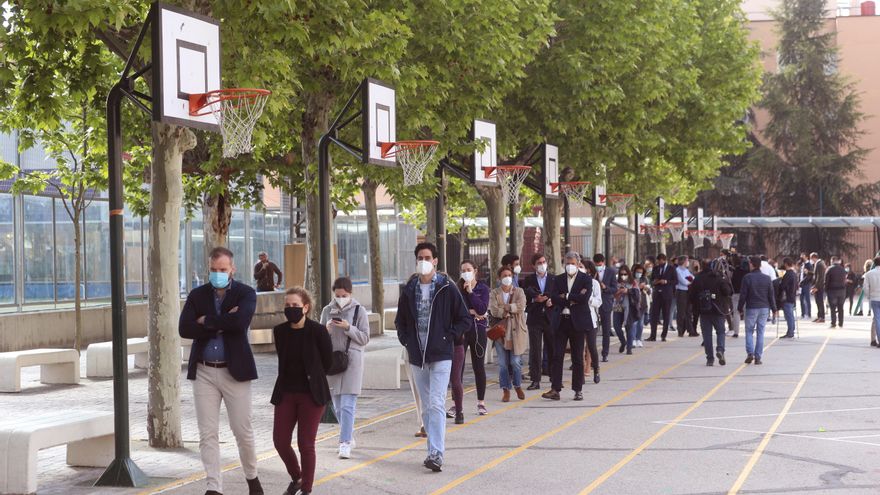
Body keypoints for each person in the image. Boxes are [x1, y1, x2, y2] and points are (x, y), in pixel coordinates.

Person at [179, 247, 263, 495]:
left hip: (234, 372)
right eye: (214, 270)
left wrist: (206, 321)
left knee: (242, 431)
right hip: (204, 372)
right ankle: (213, 487)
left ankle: (252, 478)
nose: (218, 274)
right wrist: (223, 321)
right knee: (207, 434)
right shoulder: (197, 295)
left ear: (232, 269)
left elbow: (240, 323)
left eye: (223, 270)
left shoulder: (245, 293)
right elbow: (184, 329)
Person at [395, 242, 470, 472]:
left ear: (435, 261)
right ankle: (432, 451)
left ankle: (436, 453)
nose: (423, 261)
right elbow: (401, 321)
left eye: (427, 257)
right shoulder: (409, 289)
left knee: (437, 402)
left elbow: (464, 319)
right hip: (417, 356)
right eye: (420, 257)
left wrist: (449, 337)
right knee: (426, 406)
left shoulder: (447, 287)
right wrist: (406, 340)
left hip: (441, 354)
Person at [272, 287, 332, 495]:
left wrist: (313, 377)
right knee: (280, 441)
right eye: (287, 306)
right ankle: (297, 477)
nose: (291, 309)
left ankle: (306, 489)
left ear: (305, 308)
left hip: (311, 395)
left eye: (295, 306)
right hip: (286, 393)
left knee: (305, 444)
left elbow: (328, 362)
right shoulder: (279, 331)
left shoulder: (318, 331)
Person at [319, 277, 370, 459]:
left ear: (350, 294)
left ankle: (344, 443)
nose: (341, 298)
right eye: (338, 295)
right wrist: (324, 331)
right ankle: (348, 435)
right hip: (333, 363)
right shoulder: (327, 310)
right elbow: (318, 340)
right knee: (338, 407)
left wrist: (349, 327)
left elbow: (365, 338)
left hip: (352, 362)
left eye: (344, 295)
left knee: (348, 404)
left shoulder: (359, 311)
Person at [543, 253, 601, 401]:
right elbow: (554, 297)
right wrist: (572, 298)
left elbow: (584, 298)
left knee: (577, 357)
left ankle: (578, 390)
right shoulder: (558, 279)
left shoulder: (586, 279)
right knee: (557, 356)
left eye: (573, 263)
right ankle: (555, 388)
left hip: (578, 322)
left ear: (578, 263)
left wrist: (566, 296)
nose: (570, 265)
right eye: (567, 263)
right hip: (561, 321)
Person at [450, 260, 489, 422]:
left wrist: (472, 292)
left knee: (478, 366)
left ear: (475, 271)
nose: (466, 272)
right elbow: (457, 311)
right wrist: (471, 312)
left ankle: (481, 401)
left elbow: (482, 309)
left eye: (469, 270)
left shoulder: (483, 288)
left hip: (478, 330)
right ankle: (455, 404)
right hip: (461, 331)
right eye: (463, 270)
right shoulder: (457, 289)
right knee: (457, 368)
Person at [489, 266, 528, 402]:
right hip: (501, 333)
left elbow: (521, 306)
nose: (507, 277)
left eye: (509, 275)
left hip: (516, 332)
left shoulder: (519, 291)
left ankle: (517, 385)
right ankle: (505, 389)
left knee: (515, 362)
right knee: (503, 364)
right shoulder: (494, 293)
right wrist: (510, 309)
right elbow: (493, 310)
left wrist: (506, 307)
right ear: (499, 278)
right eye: (504, 275)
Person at [689, 258, 733, 366]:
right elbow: (728, 292)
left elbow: (691, 295)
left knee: (707, 335)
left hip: (704, 311)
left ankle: (710, 359)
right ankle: (720, 350)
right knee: (721, 332)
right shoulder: (719, 277)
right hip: (718, 309)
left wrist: (696, 307)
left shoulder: (698, 278)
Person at [522, 253, 555, 390]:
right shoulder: (528, 279)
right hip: (535, 318)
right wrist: (536, 299)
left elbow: (559, 295)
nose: (542, 265)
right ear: (534, 266)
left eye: (543, 262)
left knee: (552, 348)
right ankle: (535, 380)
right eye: (539, 263)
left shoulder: (554, 278)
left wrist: (551, 301)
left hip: (550, 317)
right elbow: (524, 297)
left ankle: (555, 378)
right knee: (535, 350)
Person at [738, 256, 776, 365]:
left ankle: (750, 353)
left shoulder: (747, 278)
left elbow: (743, 295)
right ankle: (758, 357)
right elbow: (771, 295)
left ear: (752, 264)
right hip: (764, 307)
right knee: (760, 332)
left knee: (749, 331)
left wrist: (739, 308)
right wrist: (774, 309)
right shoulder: (767, 278)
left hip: (751, 307)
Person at [593, 253, 619, 361]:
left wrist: (605, 287)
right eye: (596, 264)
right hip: (593, 304)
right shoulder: (592, 272)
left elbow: (614, 289)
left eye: (599, 264)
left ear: (603, 262)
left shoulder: (611, 272)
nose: (597, 266)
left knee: (606, 330)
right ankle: (590, 354)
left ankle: (605, 353)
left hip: (606, 303)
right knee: (592, 330)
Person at [649, 253, 677, 341]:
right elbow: (652, 279)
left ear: (664, 260)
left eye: (660, 261)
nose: (658, 263)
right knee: (654, 315)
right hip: (657, 294)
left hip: (667, 294)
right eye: (658, 261)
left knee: (666, 314)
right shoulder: (656, 268)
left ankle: (663, 335)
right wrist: (655, 282)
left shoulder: (671, 268)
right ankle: (653, 335)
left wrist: (666, 281)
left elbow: (675, 281)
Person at [612, 265, 633, 354]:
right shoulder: (616, 283)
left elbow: (636, 294)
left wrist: (627, 291)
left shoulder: (632, 283)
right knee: (617, 327)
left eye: (625, 274)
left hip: (628, 307)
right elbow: (613, 295)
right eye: (621, 274)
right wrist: (619, 291)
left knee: (628, 327)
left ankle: (629, 348)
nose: (623, 275)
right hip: (617, 306)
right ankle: (623, 341)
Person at [629, 264, 651, 348]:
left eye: (641, 272)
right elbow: (629, 290)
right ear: (634, 271)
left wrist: (646, 288)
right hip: (633, 303)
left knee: (640, 323)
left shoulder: (644, 279)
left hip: (642, 303)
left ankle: (638, 339)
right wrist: (638, 286)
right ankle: (633, 339)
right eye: (637, 272)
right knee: (634, 323)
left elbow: (649, 292)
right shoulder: (631, 279)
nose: (639, 274)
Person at [779, 258, 799, 338]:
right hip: (792, 296)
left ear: (786, 264)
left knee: (788, 315)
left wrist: (780, 282)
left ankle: (790, 332)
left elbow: (783, 286)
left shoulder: (787, 274)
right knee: (790, 315)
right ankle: (791, 330)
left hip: (787, 297)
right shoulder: (794, 273)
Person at [825, 256, 847, 328]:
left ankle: (833, 323)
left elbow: (826, 281)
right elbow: (844, 280)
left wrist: (826, 290)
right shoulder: (843, 269)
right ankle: (841, 323)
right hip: (842, 291)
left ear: (832, 261)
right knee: (841, 307)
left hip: (832, 291)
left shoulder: (829, 269)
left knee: (833, 308)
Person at [861, 257, 880, 340]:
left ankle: (874, 339)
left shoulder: (868, 274)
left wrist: (869, 296)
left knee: (876, 318)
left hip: (874, 298)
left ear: (874, 263)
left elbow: (865, 287)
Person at [729, 254, 747, 338]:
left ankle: (736, 332)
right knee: (747, 311)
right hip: (746, 294)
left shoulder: (734, 271)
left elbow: (731, 282)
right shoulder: (747, 272)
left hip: (736, 293)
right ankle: (748, 330)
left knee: (736, 313)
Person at [810, 253, 826, 323]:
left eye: (811, 258)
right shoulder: (820, 263)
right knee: (818, 302)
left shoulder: (819, 264)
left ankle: (821, 317)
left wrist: (816, 287)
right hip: (819, 286)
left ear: (813, 257)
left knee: (819, 301)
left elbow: (820, 277)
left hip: (819, 286)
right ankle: (819, 315)